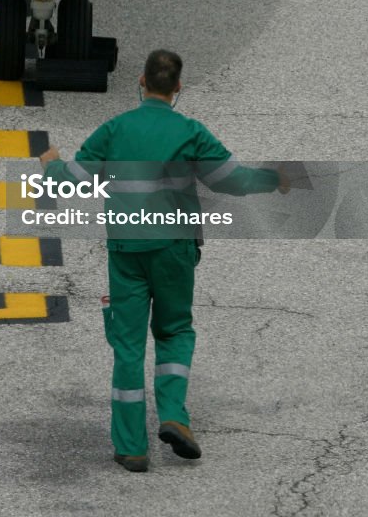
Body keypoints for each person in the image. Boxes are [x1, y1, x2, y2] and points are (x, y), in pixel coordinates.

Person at [39, 49, 290, 473]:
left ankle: (132, 448)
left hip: (127, 253)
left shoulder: (114, 130)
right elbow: (233, 180)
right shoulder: (191, 132)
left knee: (128, 346)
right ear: (178, 88)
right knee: (174, 331)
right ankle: (173, 414)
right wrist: (275, 178)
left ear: (140, 81)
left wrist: (50, 165)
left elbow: (72, 183)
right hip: (174, 249)